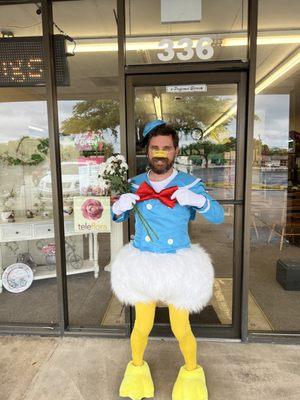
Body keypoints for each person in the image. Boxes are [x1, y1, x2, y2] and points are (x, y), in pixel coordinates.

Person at [110, 120, 224, 400]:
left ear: (175, 151)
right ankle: (136, 374)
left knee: (180, 326)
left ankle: (192, 376)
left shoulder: (189, 184)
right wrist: (118, 207)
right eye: (155, 147)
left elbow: (219, 216)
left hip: (178, 264)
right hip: (143, 262)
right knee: (142, 325)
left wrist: (199, 202)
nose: (160, 153)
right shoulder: (134, 183)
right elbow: (118, 216)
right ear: (147, 151)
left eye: (167, 148)